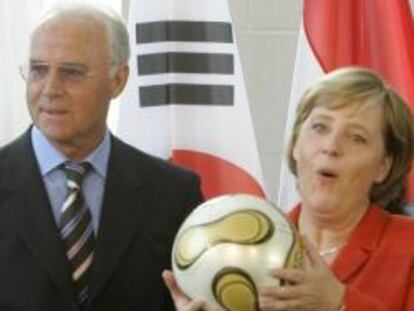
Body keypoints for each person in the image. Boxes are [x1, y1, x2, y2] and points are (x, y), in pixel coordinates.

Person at [0, 3, 203, 311]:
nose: (50, 89)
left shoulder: (174, 195)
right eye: (38, 70)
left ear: (118, 80)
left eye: (71, 73)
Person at [164, 67, 414, 311]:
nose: (331, 146)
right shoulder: (244, 248)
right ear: (296, 144)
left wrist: (338, 304)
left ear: (383, 166)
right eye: (320, 127)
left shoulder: (408, 246)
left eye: (357, 137)